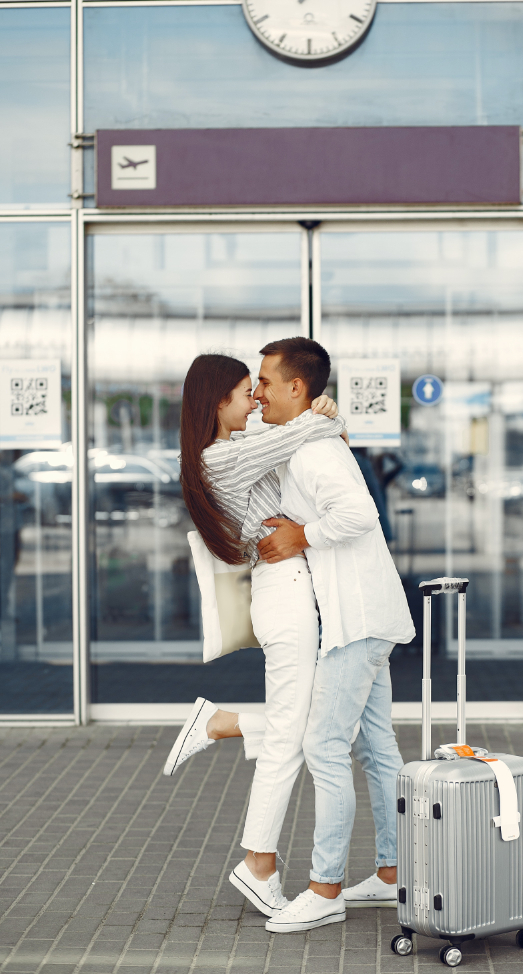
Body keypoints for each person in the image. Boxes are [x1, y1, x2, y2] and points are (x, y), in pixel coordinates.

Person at [162, 351, 345, 919]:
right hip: (284, 590)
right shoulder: (223, 458)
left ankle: (225, 724)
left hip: (285, 589)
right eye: (248, 392)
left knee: (309, 726)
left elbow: (304, 435)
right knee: (295, 735)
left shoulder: (225, 454)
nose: (257, 400)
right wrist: (326, 412)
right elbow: (316, 427)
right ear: (220, 402)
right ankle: (258, 863)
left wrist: (321, 416)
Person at [248, 337, 415, 934]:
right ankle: (397, 874)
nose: (256, 390)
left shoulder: (315, 451)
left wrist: (301, 536)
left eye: (266, 381)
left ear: (298, 388)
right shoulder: (312, 439)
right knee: (375, 750)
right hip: (367, 615)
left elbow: (360, 516)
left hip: (355, 621)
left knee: (324, 747)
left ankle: (325, 889)